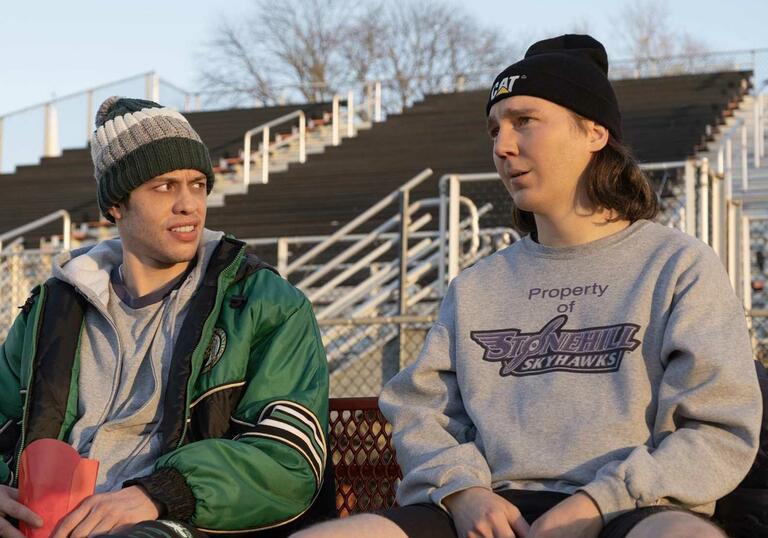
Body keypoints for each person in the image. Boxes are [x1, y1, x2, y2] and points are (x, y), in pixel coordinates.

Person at [294, 34, 762, 538]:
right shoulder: (476, 285)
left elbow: (717, 429)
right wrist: (461, 491)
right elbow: (420, 408)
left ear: (594, 132)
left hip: (631, 508)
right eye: (495, 129)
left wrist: (598, 504)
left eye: (525, 122)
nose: (502, 146)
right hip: (486, 514)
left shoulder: (677, 265)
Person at [0, 96, 329, 538]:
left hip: (179, 523)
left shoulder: (264, 304)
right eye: (164, 187)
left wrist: (160, 494)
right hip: (47, 523)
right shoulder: (52, 310)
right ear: (116, 204)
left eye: (197, 184)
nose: (189, 204)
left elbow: (288, 458)